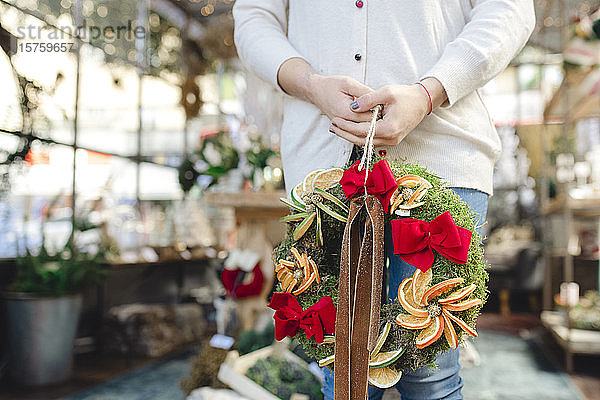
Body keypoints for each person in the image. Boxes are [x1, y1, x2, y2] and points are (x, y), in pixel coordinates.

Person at [233, 1, 535, 399]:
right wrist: (310, 83)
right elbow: (255, 17)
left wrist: (428, 92)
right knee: (345, 373)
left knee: (430, 373)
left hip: (442, 152)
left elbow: (509, 9)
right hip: (325, 164)